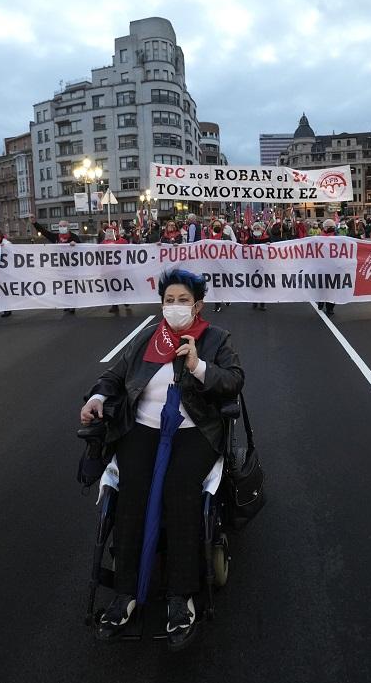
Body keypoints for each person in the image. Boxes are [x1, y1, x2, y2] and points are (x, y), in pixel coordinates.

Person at [81, 269, 245, 648]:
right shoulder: (147, 341)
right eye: (168, 301)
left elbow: (234, 380)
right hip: (142, 427)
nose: (174, 307)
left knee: (180, 492)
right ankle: (125, 592)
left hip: (194, 429)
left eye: (182, 301)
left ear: (198, 305)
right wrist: (97, 398)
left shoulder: (215, 339)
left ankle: (180, 595)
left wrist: (198, 367)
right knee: (130, 493)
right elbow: (114, 376)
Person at [245, 222, 270, 310]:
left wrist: (269, 245)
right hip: (253, 264)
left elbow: (273, 248)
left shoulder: (267, 238)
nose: (256, 230)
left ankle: (262, 303)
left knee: (263, 284)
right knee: (254, 284)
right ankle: (254, 301)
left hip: (263, 264)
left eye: (257, 228)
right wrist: (245, 246)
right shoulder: (250, 239)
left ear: (261, 229)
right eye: (254, 229)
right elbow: (245, 247)